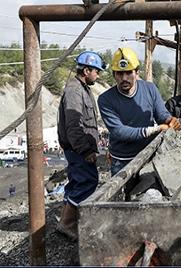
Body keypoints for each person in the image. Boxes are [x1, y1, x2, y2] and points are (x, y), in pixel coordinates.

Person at [98, 48, 181, 176]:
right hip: (122, 160)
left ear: (136, 72)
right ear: (114, 74)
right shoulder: (106, 100)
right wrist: (154, 130)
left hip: (147, 154)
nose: (124, 78)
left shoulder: (149, 89)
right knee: (123, 194)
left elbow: (161, 114)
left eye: (128, 73)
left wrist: (170, 120)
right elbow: (119, 131)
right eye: (120, 74)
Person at [57, 51, 105, 240]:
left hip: (79, 148)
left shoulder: (82, 88)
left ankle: (66, 221)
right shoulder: (75, 90)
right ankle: (67, 224)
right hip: (78, 150)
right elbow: (74, 125)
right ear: (87, 70)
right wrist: (85, 150)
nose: (98, 75)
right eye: (96, 71)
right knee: (88, 181)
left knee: (77, 182)